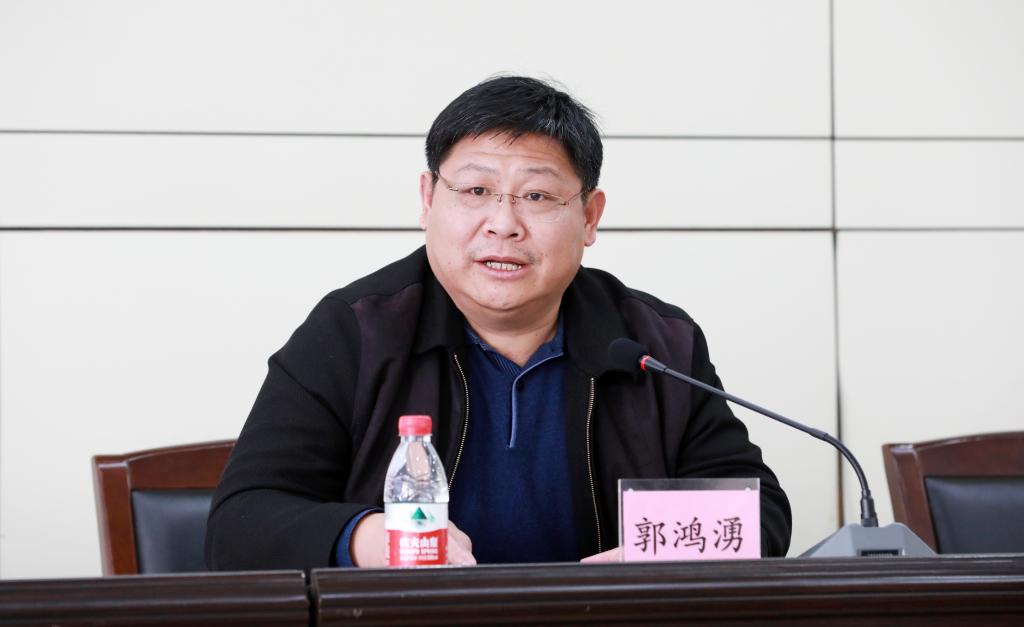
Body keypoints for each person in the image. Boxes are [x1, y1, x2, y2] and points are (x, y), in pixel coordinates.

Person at [205, 76, 791, 570]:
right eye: (476, 190)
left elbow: (760, 509)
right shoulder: (356, 331)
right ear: (428, 199)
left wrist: (659, 549)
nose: (503, 223)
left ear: (590, 216)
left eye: (537, 196)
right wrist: (367, 538)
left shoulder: (653, 340)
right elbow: (239, 523)